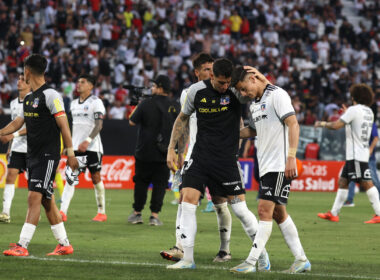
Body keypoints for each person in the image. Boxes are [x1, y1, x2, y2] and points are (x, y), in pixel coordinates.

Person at [166, 58, 270, 270]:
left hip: (226, 159)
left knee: (240, 209)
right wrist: (171, 148)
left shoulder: (236, 91)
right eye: (221, 82)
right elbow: (182, 119)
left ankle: (261, 255)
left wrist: (261, 79)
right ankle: (187, 259)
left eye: (228, 83)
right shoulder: (196, 91)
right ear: (211, 76)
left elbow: (263, 96)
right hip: (200, 156)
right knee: (187, 200)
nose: (225, 87)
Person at [229, 66, 310, 274]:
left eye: (244, 88)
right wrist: (230, 134)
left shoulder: (278, 95)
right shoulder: (254, 104)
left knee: (264, 210)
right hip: (266, 166)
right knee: (278, 213)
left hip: (279, 164)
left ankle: (251, 261)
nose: (244, 94)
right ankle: (301, 260)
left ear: (253, 78)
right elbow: (254, 130)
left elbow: (293, 124)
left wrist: (291, 157)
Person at [1, 54, 78, 256]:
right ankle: (64, 244)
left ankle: (22, 245)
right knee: (46, 200)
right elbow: (18, 123)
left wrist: (70, 153)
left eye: (23, 71)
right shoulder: (29, 99)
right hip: (32, 156)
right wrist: (1, 132)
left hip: (47, 156)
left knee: (34, 197)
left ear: (28, 71)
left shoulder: (51, 95)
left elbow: (64, 125)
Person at [160, 53, 233, 263]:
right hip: (195, 154)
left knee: (220, 202)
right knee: (184, 197)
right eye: (207, 69)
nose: (211, 72)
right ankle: (180, 247)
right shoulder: (189, 93)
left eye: (213, 69)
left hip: (219, 155)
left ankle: (224, 250)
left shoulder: (225, 91)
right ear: (197, 72)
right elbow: (184, 123)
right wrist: (179, 150)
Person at [315, 84, 380, 224]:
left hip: (356, 155)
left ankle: (379, 214)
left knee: (366, 183)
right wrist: (347, 114)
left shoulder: (353, 110)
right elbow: (354, 124)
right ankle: (333, 213)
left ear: (353, 97)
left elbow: (336, 125)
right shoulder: (369, 111)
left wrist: (321, 123)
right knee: (343, 182)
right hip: (359, 153)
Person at [128, 75, 179, 226]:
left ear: (161, 87)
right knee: (160, 185)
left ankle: (137, 213)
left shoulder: (145, 103)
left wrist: (138, 104)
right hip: (165, 152)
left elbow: (131, 121)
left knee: (141, 183)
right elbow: (181, 128)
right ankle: (154, 216)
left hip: (145, 151)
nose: (151, 88)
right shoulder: (175, 105)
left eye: (154, 85)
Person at [59, 74, 107, 222]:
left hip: (92, 147)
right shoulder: (73, 103)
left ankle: (101, 212)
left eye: (82, 82)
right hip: (76, 147)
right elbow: (69, 127)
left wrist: (87, 141)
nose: (78, 84)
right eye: (78, 81)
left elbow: (99, 125)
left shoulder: (96, 102)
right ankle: (62, 212)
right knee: (70, 177)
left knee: (95, 177)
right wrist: (68, 145)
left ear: (91, 86)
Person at [0, 74, 29, 223]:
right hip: (17, 146)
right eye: (18, 79)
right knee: (11, 175)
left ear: (30, 84)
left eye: (22, 79)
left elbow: (33, 127)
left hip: (33, 148)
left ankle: (34, 212)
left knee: (34, 183)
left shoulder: (34, 102)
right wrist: (11, 146)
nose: (19, 81)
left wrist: (12, 136)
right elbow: (13, 125)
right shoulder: (13, 103)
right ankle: (5, 212)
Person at [345, 122, 380, 207]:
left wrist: (371, 149)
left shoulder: (371, 123)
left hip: (368, 157)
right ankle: (350, 200)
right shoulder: (357, 122)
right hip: (357, 156)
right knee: (352, 177)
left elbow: (376, 138)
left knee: (374, 180)